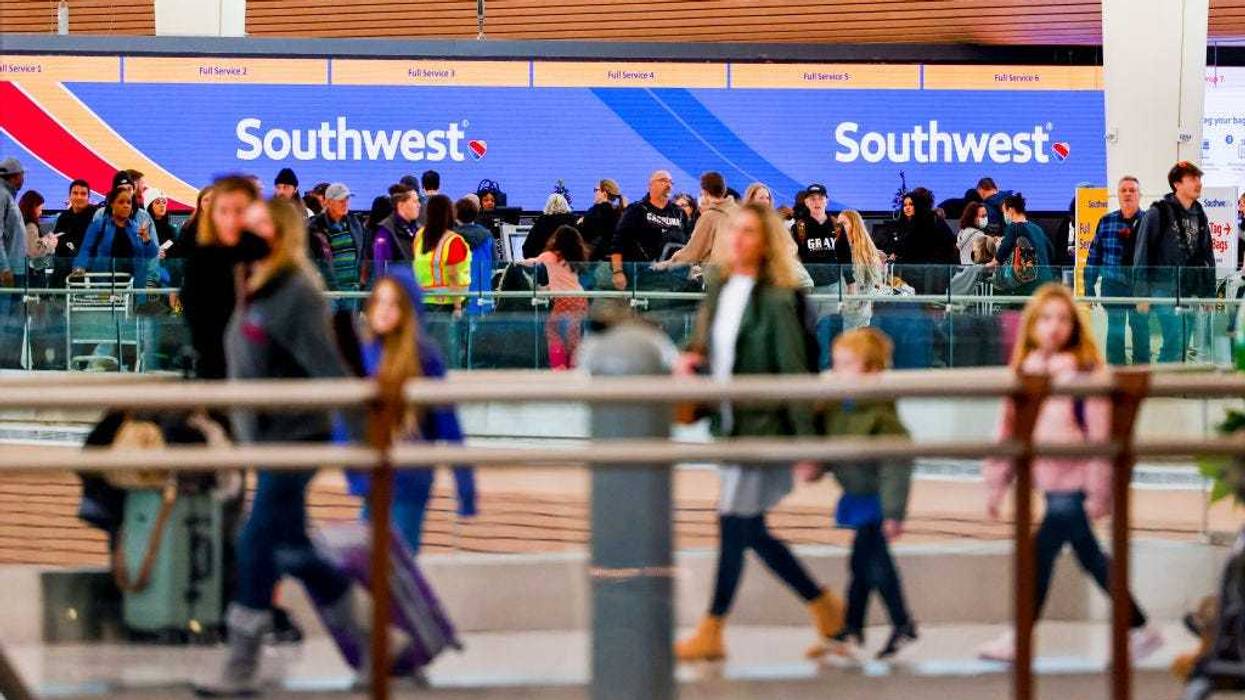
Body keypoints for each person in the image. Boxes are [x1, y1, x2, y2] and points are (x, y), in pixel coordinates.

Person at [196, 198, 367, 697]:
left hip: (294, 439)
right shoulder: (255, 286)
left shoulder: (297, 293)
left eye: (260, 225)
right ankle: (377, 648)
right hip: (266, 441)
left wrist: (363, 440)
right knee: (294, 549)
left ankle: (240, 667)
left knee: (255, 542)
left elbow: (329, 369)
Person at [673, 202, 844, 663]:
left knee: (736, 523)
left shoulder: (779, 299)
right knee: (745, 526)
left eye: (750, 232)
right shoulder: (722, 289)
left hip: (763, 427)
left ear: (767, 240)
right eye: (735, 231)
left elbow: (793, 372)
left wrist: (808, 444)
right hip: (730, 426)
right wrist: (692, 360)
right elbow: (712, 351)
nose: (739, 239)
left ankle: (713, 628)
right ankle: (824, 606)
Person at [977, 283, 1163, 663]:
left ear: (1075, 326)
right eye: (1046, 318)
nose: (1054, 326)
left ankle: (1022, 638)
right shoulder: (1025, 374)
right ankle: (1139, 627)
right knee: (1088, 557)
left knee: (1041, 556)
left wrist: (1099, 494)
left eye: (1063, 318)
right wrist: (995, 484)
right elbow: (1008, 433)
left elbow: (1100, 439)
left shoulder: (1085, 377)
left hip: (1073, 487)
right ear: (1031, 325)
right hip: (1051, 484)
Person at [798, 328, 917, 660]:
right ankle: (856, 627)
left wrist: (893, 512)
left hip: (875, 501)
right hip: (859, 496)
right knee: (864, 564)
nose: (837, 371)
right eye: (836, 364)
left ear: (873, 371)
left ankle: (897, 622)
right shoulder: (839, 406)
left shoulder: (878, 412)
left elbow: (896, 464)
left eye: (847, 365)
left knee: (873, 564)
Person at [342, 269, 477, 553]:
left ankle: (408, 599)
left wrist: (465, 485)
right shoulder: (364, 353)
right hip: (374, 476)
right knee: (371, 558)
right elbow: (347, 418)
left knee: (399, 560)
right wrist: (354, 473)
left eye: (394, 304)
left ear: (408, 310)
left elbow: (447, 423)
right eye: (379, 302)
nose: (384, 311)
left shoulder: (425, 358)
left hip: (409, 479)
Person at [1134, 161, 1216, 363]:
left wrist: (1209, 293)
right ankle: (1163, 385)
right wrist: (1141, 294)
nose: (1198, 183)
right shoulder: (1158, 213)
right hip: (1163, 288)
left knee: (1181, 342)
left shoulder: (1199, 213)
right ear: (1177, 184)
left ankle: (1172, 384)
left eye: (1199, 178)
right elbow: (1142, 253)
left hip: (1189, 289)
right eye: (1192, 179)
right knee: (1175, 337)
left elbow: (1207, 255)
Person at [1084, 176, 1150, 366]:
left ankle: (1141, 374)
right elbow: (1094, 256)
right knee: (1115, 331)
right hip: (1113, 285)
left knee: (1141, 331)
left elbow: (1157, 259)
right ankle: (1116, 374)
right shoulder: (1106, 221)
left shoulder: (1149, 222)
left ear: (1139, 195)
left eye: (1132, 190)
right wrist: (1088, 289)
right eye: (1124, 190)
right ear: (1118, 196)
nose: (1128, 193)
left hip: (1141, 287)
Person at [522, 225, 588, 369]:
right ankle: (573, 366)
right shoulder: (574, 259)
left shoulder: (550, 256)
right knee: (573, 335)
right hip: (580, 298)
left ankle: (559, 366)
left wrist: (515, 262)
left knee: (553, 332)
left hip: (564, 299)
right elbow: (563, 280)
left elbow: (530, 262)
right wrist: (547, 288)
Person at [610, 170, 686, 289]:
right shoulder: (636, 210)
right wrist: (617, 272)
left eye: (671, 182)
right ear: (650, 185)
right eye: (663, 181)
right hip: (643, 278)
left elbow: (688, 243)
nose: (668, 185)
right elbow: (618, 242)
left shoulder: (679, 213)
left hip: (674, 278)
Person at [73, 185, 159, 280]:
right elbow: (86, 249)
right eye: (121, 202)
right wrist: (80, 266)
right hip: (103, 283)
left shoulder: (136, 228)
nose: (126, 205)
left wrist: (147, 239)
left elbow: (152, 254)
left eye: (129, 203)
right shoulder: (99, 225)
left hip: (130, 285)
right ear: (112, 204)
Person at [657, 171, 735, 269]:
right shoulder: (739, 212)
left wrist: (665, 264)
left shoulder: (710, 217)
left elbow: (692, 253)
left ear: (704, 192)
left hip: (718, 277)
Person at [414, 194, 471, 318]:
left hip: (422, 302)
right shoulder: (453, 241)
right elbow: (453, 275)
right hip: (447, 306)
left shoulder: (419, 235)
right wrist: (457, 307)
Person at [987, 192, 1056, 296]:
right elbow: (1051, 252)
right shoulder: (1036, 228)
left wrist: (985, 267)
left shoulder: (1014, 227)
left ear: (1010, 210)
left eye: (1003, 211)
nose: (1004, 215)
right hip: (1048, 282)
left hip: (1031, 285)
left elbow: (1001, 256)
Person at [792, 183, 855, 292]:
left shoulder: (837, 226)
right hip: (807, 286)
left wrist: (851, 283)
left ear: (827, 201)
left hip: (832, 285)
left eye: (821, 198)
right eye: (812, 199)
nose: (817, 202)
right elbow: (794, 258)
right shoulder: (798, 227)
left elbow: (845, 256)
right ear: (806, 202)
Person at [307, 183, 366, 293]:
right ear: (328, 202)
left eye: (347, 200)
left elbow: (363, 253)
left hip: (353, 291)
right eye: (341, 201)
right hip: (328, 293)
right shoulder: (315, 227)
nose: (345, 204)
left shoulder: (355, 223)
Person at [837, 210, 886, 329]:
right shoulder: (833, 248)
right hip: (836, 309)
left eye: (844, 224)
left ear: (855, 226)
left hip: (857, 311)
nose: (840, 228)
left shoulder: (867, 252)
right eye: (838, 224)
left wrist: (858, 304)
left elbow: (874, 284)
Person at [453, 196, 495, 311]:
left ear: (456, 215)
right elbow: (495, 265)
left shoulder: (451, 238)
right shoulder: (487, 236)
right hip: (483, 297)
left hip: (459, 298)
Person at [372, 185, 420, 268]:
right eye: (414, 201)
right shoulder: (386, 231)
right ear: (401, 205)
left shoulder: (418, 228)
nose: (419, 205)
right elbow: (382, 268)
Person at [578, 179, 626, 261]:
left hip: (596, 259)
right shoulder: (618, 212)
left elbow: (586, 234)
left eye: (596, 190)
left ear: (604, 193)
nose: (594, 193)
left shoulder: (596, 211)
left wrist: (581, 222)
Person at [523, 193, 578, 259]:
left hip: (545, 264)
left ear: (548, 205)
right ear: (565, 205)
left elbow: (528, 248)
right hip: (567, 264)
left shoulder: (541, 222)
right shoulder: (572, 221)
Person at [53, 179, 98, 259]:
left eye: (83, 194)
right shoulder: (63, 218)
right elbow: (57, 245)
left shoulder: (97, 216)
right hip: (66, 266)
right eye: (75, 193)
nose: (79, 197)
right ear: (69, 196)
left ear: (88, 197)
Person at [0, 157, 26, 289]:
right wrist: (4, 268)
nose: (24, 179)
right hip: (8, 272)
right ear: (15, 177)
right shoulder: (2, 195)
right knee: (6, 309)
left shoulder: (8, 196)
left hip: (14, 268)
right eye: (22, 175)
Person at [19, 190, 56, 268]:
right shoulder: (30, 225)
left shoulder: (20, 222)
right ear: (33, 208)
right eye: (40, 209)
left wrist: (43, 240)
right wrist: (51, 244)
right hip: (30, 273)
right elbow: (34, 252)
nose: (41, 213)